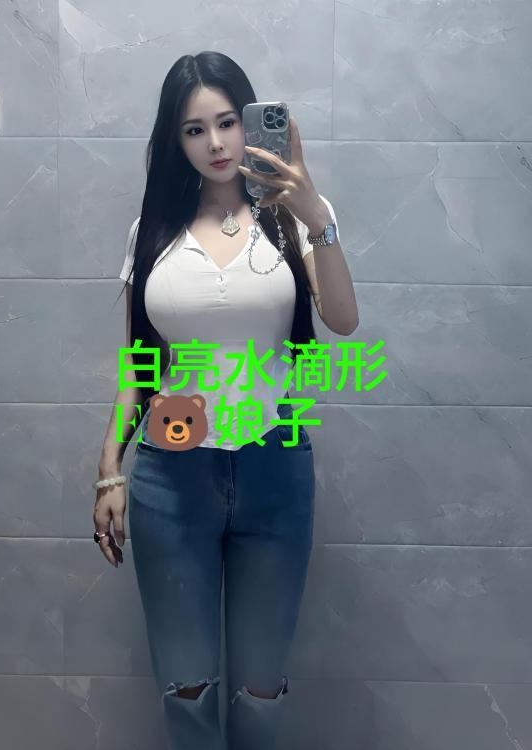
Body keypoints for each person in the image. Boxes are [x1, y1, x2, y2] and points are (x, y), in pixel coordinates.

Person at [93, 51, 357, 750]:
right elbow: (139, 363)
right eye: (194, 130)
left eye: (228, 122)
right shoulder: (151, 231)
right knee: (186, 688)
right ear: (174, 141)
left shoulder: (292, 220)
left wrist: (314, 212)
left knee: (261, 689)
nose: (215, 143)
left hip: (275, 468)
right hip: (170, 476)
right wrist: (109, 469)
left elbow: (343, 320)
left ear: (251, 124)